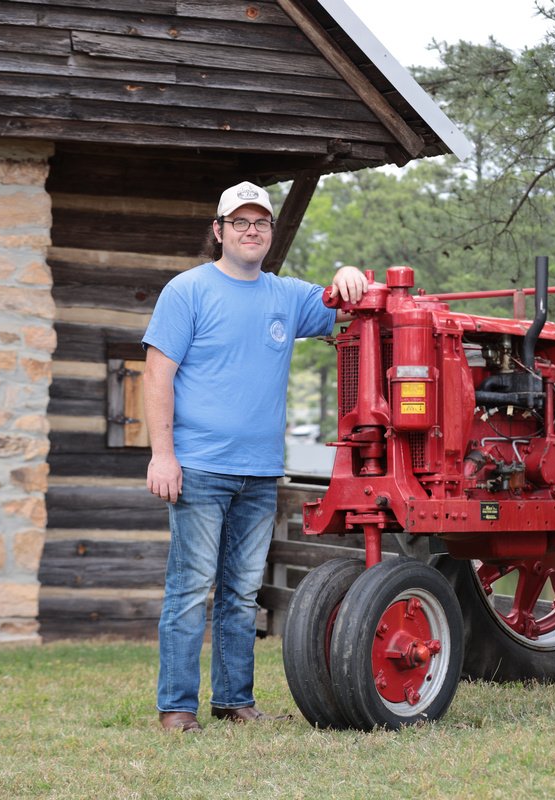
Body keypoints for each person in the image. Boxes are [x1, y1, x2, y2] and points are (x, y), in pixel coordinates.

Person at [143, 181, 367, 732]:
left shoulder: (285, 297)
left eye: (260, 223)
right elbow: (156, 376)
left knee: (242, 593)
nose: (250, 230)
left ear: (271, 233)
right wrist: (162, 456)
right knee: (192, 589)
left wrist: (347, 275)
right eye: (239, 222)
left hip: (260, 472)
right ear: (218, 231)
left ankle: (233, 702)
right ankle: (176, 708)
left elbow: (353, 304)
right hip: (198, 467)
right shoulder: (187, 291)